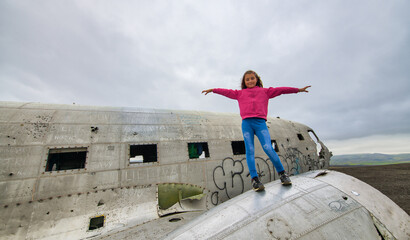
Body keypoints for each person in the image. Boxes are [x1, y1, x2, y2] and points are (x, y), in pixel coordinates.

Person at [202, 70, 310, 191]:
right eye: (247, 79)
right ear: (244, 82)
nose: (250, 81)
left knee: (268, 148)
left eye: (252, 78)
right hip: (247, 124)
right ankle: (255, 179)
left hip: (260, 124)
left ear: (257, 79)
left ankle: (282, 173)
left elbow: (282, 90)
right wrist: (213, 90)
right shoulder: (239, 93)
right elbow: (226, 92)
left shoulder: (265, 92)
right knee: (250, 150)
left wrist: (298, 90)